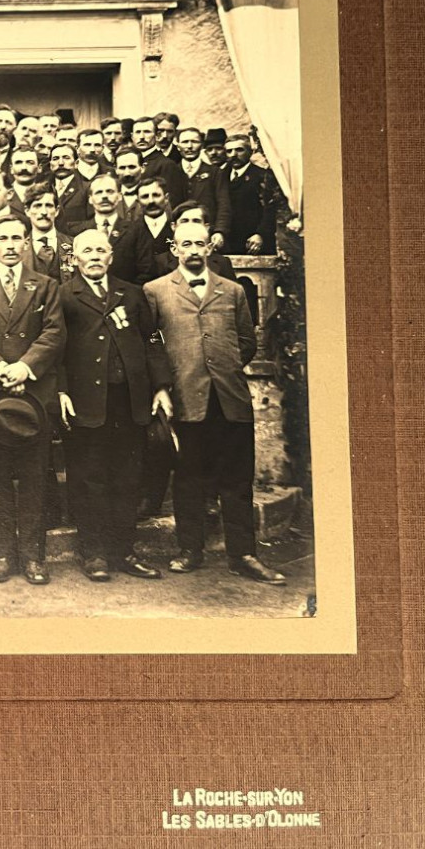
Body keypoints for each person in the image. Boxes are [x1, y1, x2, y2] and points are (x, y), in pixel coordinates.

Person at [144, 217, 286, 584]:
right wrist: (164, 385)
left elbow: (246, 340)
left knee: (237, 481)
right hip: (186, 398)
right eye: (185, 244)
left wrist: (222, 370)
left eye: (199, 244)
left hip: (230, 399)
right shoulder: (156, 291)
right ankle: (190, 549)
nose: (193, 251)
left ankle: (244, 555)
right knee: (188, 478)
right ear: (175, 249)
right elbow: (151, 344)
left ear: (210, 248)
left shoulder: (233, 290)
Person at [58, 229, 173, 582]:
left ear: (111, 256)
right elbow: (55, 349)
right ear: (75, 259)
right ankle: (93, 551)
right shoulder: (64, 296)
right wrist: (61, 391)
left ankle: (124, 550)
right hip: (85, 401)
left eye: (100, 250)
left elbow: (152, 342)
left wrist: (161, 388)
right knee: (89, 476)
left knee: (127, 477)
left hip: (130, 401)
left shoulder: (133, 295)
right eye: (86, 251)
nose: (94, 256)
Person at [0, 211, 66, 584]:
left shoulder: (46, 285)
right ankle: (3, 555)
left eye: (15, 239)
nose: (9, 246)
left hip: (33, 396)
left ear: (27, 243)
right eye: (1, 239)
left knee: (35, 478)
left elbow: (54, 332)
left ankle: (33, 557)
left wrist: (25, 367)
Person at [219, 132, 281, 255]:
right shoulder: (220, 176)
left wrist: (261, 234)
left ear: (250, 151)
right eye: (229, 151)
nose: (233, 155)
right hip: (227, 242)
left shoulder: (263, 176)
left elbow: (270, 209)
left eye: (239, 150)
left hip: (253, 242)